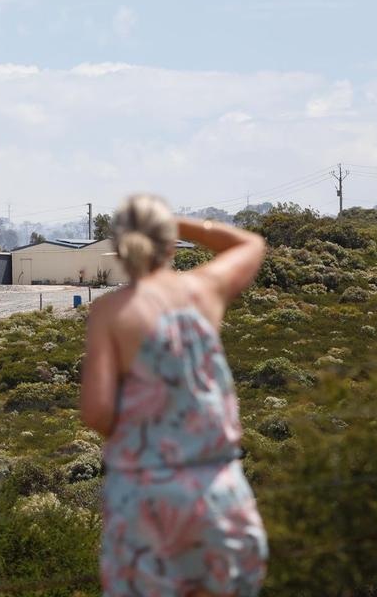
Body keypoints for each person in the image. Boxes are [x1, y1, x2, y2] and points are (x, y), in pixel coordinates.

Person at [80, 194, 269, 597]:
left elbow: (96, 412)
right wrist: (177, 222)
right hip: (218, 491)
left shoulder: (111, 312)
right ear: (168, 243)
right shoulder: (204, 290)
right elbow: (249, 244)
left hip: (147, 499)